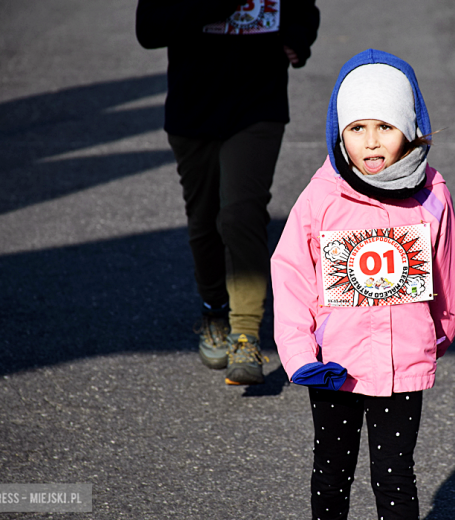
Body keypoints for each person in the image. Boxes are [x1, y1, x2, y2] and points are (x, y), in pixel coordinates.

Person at [271, 49, 455, 520]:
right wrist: (298, 355)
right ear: (340, 132)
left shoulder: (431, 193)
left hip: (402, 363)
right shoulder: (321, 196)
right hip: (334, 363)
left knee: (395, 475)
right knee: (332, 471)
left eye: (386, 127)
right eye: (357, 128)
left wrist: (436, 337)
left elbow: (447, 274)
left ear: (409, 130)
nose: (372, 143)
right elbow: (292, 274)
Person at [135, 0, 320, 385]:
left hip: (258, 103)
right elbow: (149, 29)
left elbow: (302, 6)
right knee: (204, 221)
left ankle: (245, 335)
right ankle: (214, 312)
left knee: (240, 214)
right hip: (193, 108)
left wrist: (299, 39)